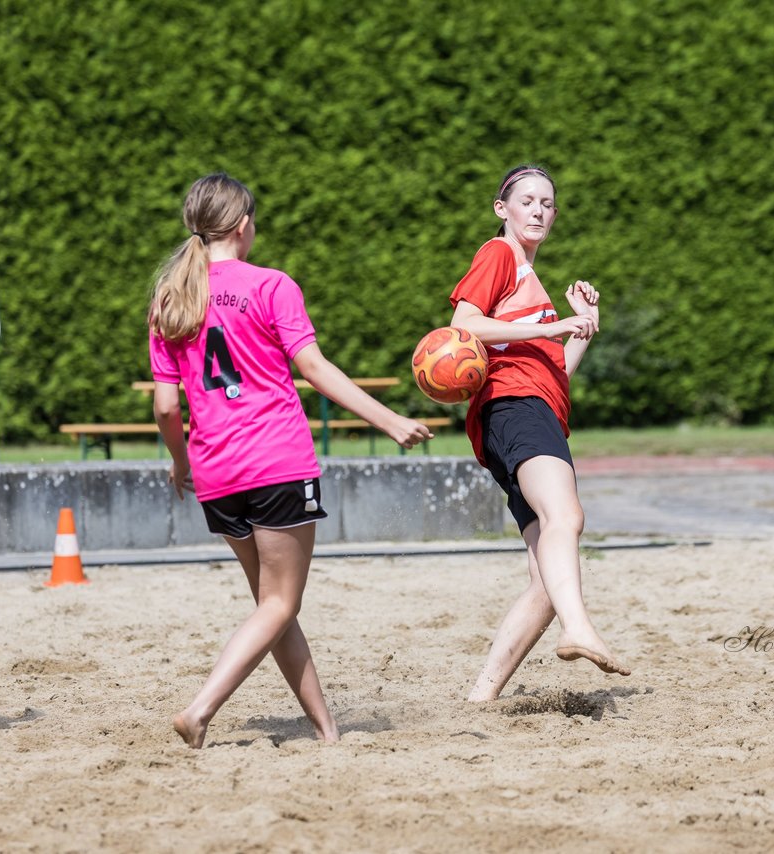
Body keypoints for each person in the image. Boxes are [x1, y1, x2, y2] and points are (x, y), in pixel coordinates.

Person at [149, 173, 432, 748]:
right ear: (240, 224)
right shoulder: (273, 285)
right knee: (278, 604)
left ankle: (326, 729)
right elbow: (316, 370)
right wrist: (391, 420)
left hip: (216, 473)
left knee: (272, 607)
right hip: (275, 461)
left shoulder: (172, 298)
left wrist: (180, 461)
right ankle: (200, 709)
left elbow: (164, 406)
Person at [448, 164, 630, 703]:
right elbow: (463, 323)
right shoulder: (499, 254)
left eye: (548, 203)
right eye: (527, 200)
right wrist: (549, 326)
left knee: (548, 578)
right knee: (567, 519)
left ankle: (482, 696)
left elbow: (555, 375)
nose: (538, 210)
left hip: (531, 409)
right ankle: (579, 630)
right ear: (502, 209)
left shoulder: (529, 277)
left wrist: (581, 327)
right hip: (514, 408)